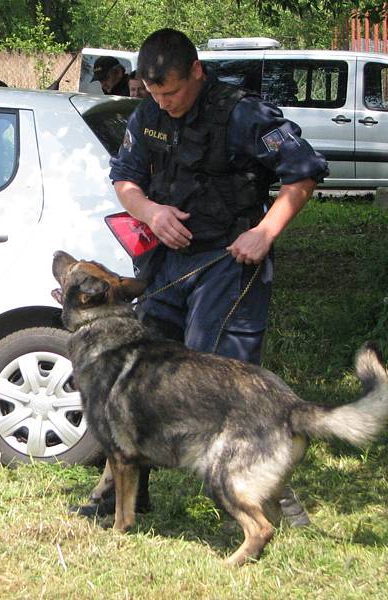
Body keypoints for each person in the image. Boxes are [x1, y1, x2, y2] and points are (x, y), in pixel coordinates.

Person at [76, 28, 329, 526]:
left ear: (196, 71)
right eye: (153, 93)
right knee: (139, 376)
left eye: (171, 91)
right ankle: (123, 491)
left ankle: (272, 492)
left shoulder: (243, 113)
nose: (164, 102)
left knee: (222, 379)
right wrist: (150, 211)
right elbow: (124, 180)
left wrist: (265, 232)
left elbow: (302, 173)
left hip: (229, 261)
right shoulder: (147, 111)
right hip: (166, 263)